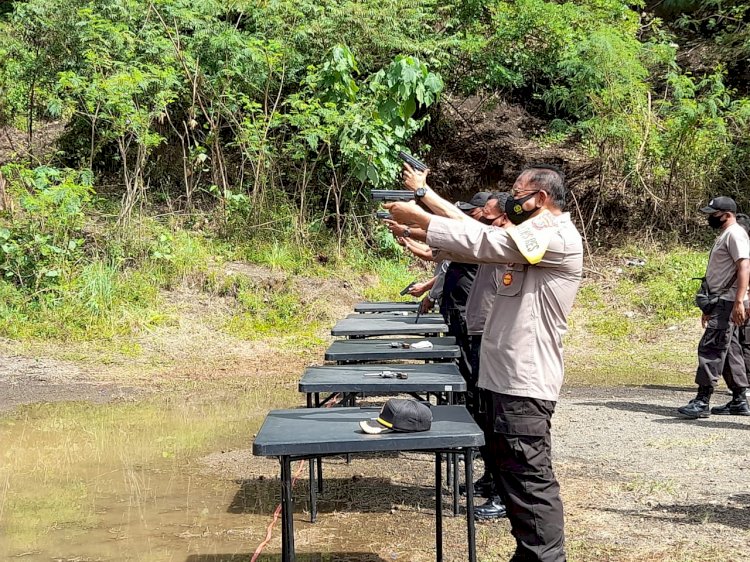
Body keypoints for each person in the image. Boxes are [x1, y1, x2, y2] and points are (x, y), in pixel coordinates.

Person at [387, 164, 582, 562]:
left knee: (530, 479)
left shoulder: (555, 234)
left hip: (523, 380)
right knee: (511, 475)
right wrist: (425, 210)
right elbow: (484, 236)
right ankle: (528, 553)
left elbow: (484, 241)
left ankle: (545, 557)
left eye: (517, 191)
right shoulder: (529, 235)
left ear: (540, 199)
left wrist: (423, 210)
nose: (512, 198)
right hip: (504, 377)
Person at [678, 196, 750, 418]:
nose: (710, 218)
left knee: (711, 349)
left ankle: (702, 401)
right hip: (722, 301)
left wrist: (739, 301)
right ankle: (739, 399)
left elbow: (744, 266)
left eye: (713, 214)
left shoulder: (735, 234)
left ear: (727, 215)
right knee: (730, 351)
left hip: (728, 302)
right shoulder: (727, 235)